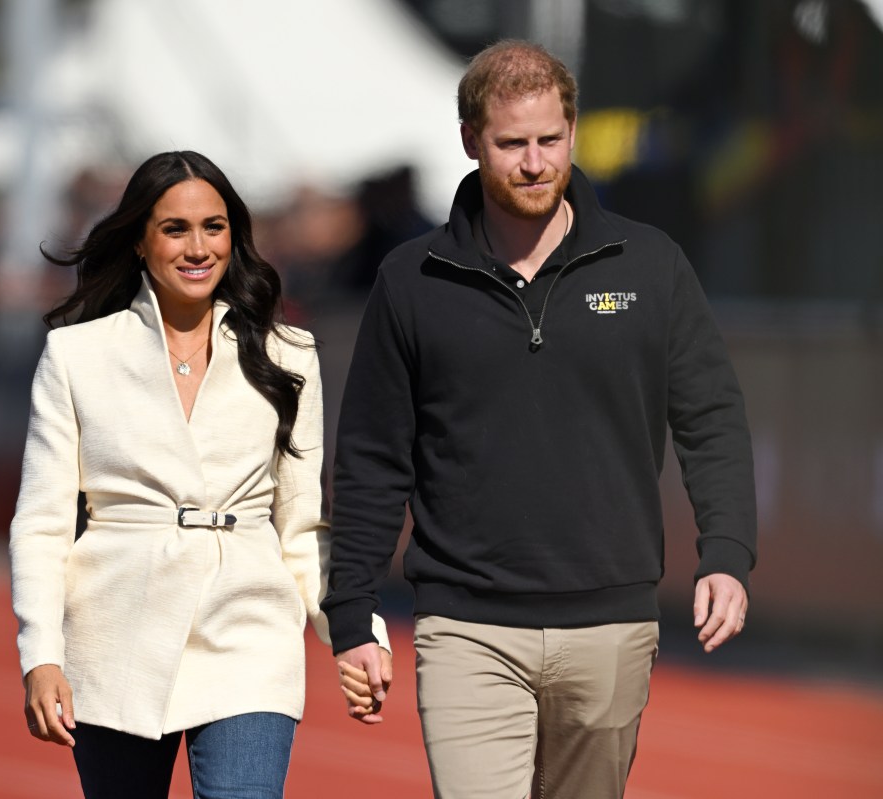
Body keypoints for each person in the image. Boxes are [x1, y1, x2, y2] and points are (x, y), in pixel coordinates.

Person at [322, 41, 757, 798]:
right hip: (465, 627)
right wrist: (352, 610)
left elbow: (710, 416)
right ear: (469, 141)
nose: (533, 162)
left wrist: (726, 551)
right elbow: (371, 455)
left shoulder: (650, 265)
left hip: (612, 625)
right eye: (511, 143)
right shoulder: (411, 279)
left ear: (574, 131)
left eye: (549, 140)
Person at [9, 150, 389, 799]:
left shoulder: (288, 353)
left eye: (214, 227)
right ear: (138, 239)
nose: (198, 247)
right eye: (175, 228)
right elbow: (42, 525)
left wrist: (354, 629)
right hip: (114, 637)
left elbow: (301, 526)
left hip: (249, 635)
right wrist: (40, 655)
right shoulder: (77, 356)